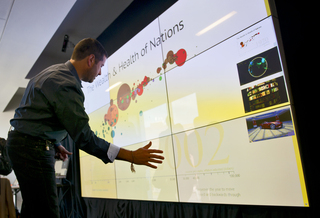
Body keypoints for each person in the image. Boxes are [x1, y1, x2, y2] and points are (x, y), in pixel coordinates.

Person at [6, 38, 164, 218]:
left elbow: (33, 117)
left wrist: (54, 143)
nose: (100, 72)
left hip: (23, 145)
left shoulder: (51, 73)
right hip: (31, 150)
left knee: (34, 210)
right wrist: (131, 156)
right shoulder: (66, 83)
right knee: (46, 213)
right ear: (90, 60)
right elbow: (85, 137)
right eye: (101, 65)